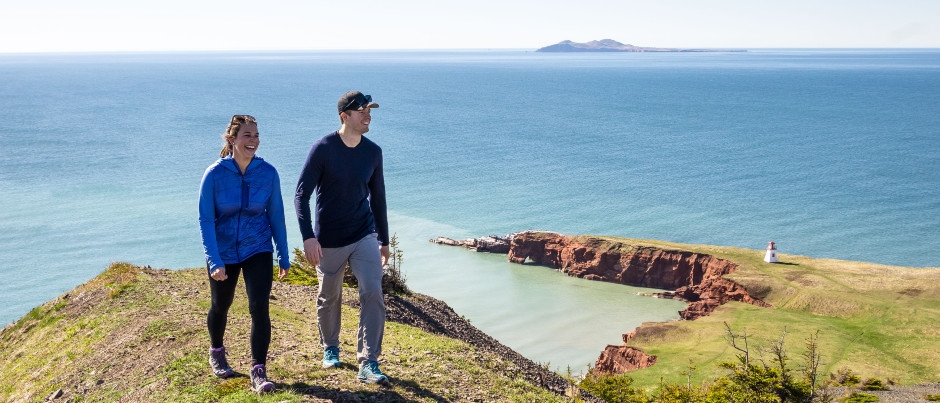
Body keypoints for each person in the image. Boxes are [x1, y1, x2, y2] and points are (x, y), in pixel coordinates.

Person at [295, 91, 391, 385]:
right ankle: (331, 348)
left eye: (369, 110)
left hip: (364, 233)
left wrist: (383, 240)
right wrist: (308, 237)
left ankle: (369, 362)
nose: (368, 115)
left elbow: (379, 198)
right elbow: (301, 194)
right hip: (330, 238)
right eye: (362, 111)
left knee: (373, 291)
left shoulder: (373, 152)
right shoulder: (323, 148)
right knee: (329, 296)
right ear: (344, 116)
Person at [198, 114, 290, 394]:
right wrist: (214, 260)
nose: (253, 141)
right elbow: (205, 220)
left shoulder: (268, 173)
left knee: (259, 308)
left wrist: (283, 255)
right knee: (220, 306)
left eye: (256, 135)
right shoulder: (214, 174)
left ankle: (258, 370)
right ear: (232, 140)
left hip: (257, 247)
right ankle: (217, 350)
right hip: (224, 250)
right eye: (247, 135)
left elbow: (276, 215)